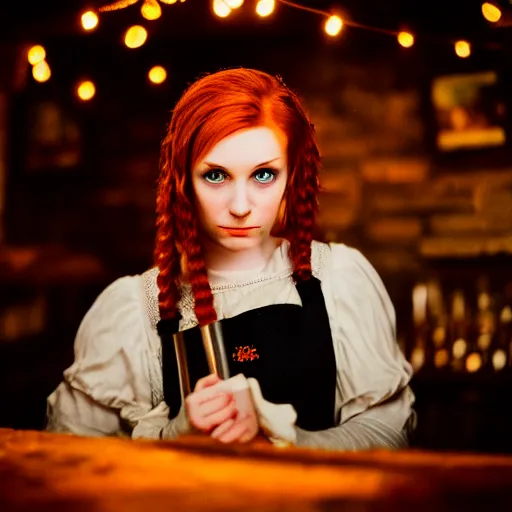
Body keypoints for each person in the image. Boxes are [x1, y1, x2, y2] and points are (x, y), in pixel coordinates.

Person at [46, 68, 415, 449]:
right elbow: (70, 457)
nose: (240, 207)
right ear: (182, 179)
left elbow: (387, 433)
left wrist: (288, 439)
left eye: (264, 175)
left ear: (293, 176)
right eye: (217, 176)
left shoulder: (339, 280)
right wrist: (173, 435)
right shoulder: (136, 311)